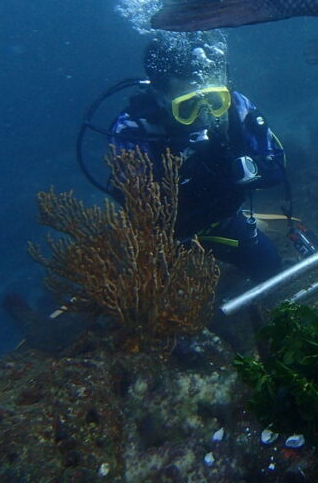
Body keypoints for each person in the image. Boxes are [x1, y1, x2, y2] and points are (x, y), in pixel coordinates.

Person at [108, 30, 287, 293]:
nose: (204, 116)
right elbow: (143, 214)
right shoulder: (132, 132)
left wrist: (239, 169)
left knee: (270, 269)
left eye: (215, 101)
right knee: (161, 312)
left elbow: (277, 167)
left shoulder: (236, 107)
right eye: (187, 106)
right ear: (160, 96)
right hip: (162, 242)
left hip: (224, 221)